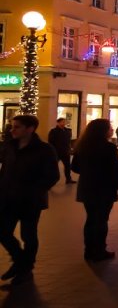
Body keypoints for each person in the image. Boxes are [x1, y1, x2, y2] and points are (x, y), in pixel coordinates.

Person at [0, 115, 60, 284]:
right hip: (8, 198)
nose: (12, 130)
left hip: (30, 201)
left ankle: (25, 268)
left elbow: (52, 176)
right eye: (13, 126)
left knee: (29, 235)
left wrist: (33, 190)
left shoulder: (44, 149)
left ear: (30, 128)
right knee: (3, 231)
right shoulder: (10, 146)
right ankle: (21, 261)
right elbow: (5, 171)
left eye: (17, 127)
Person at [71, 119, 118, 261]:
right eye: (109, 128)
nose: (112, 130)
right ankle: (100, 250)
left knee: (91, 219)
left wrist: (88, 172)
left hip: (87, 186)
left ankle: (89, 251)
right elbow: (115, 171)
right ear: (102, 131)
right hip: (104, 188)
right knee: (101, 220)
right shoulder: (108, 147)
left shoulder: (82, 145)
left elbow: (75, 167)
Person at [48, 117, 75, 184]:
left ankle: (68, 179)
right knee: (53, 166)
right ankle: (50, 180)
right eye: (62, 122)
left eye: (64, 122)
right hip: (57, 152)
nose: (63, 123)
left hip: (66, 152)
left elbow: (69, 141)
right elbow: (50, 141)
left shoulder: (68, 131)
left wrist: (70, 148)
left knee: (67, 166)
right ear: (58, 122)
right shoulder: (53, 131)